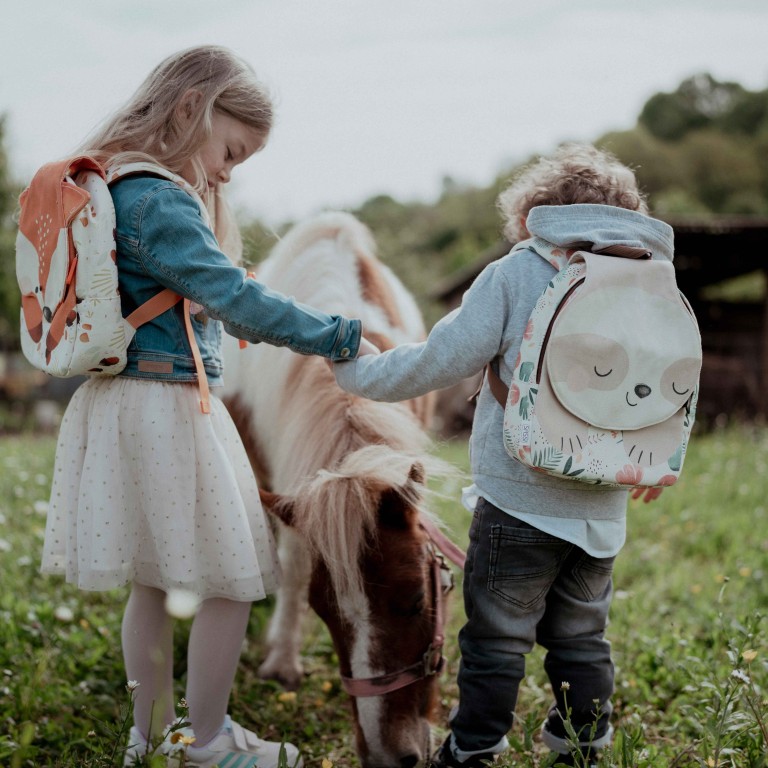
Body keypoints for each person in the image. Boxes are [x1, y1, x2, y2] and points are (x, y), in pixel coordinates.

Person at [40, 45, 376, 768]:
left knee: (154, 582)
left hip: (122, 400)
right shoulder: (159, 198)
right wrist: (339, 334)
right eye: (231, 150)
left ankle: (152, 738)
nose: (227, 171)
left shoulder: (114, 185)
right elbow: (234, 294)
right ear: (192, 108)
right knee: (234, 575)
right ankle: (211, 739)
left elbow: (207, 298)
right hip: (163, 405)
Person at [333, 144, 673, 768]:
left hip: (519, 496)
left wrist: (357, 373)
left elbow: (441, 359)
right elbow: (669, 378)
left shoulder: (516, 271)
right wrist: (656, 462)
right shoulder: (648, 277)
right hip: (603, 505)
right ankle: (581, 748)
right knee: (583, 640)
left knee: (495, 642)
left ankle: (473, 749)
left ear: (532, 213)